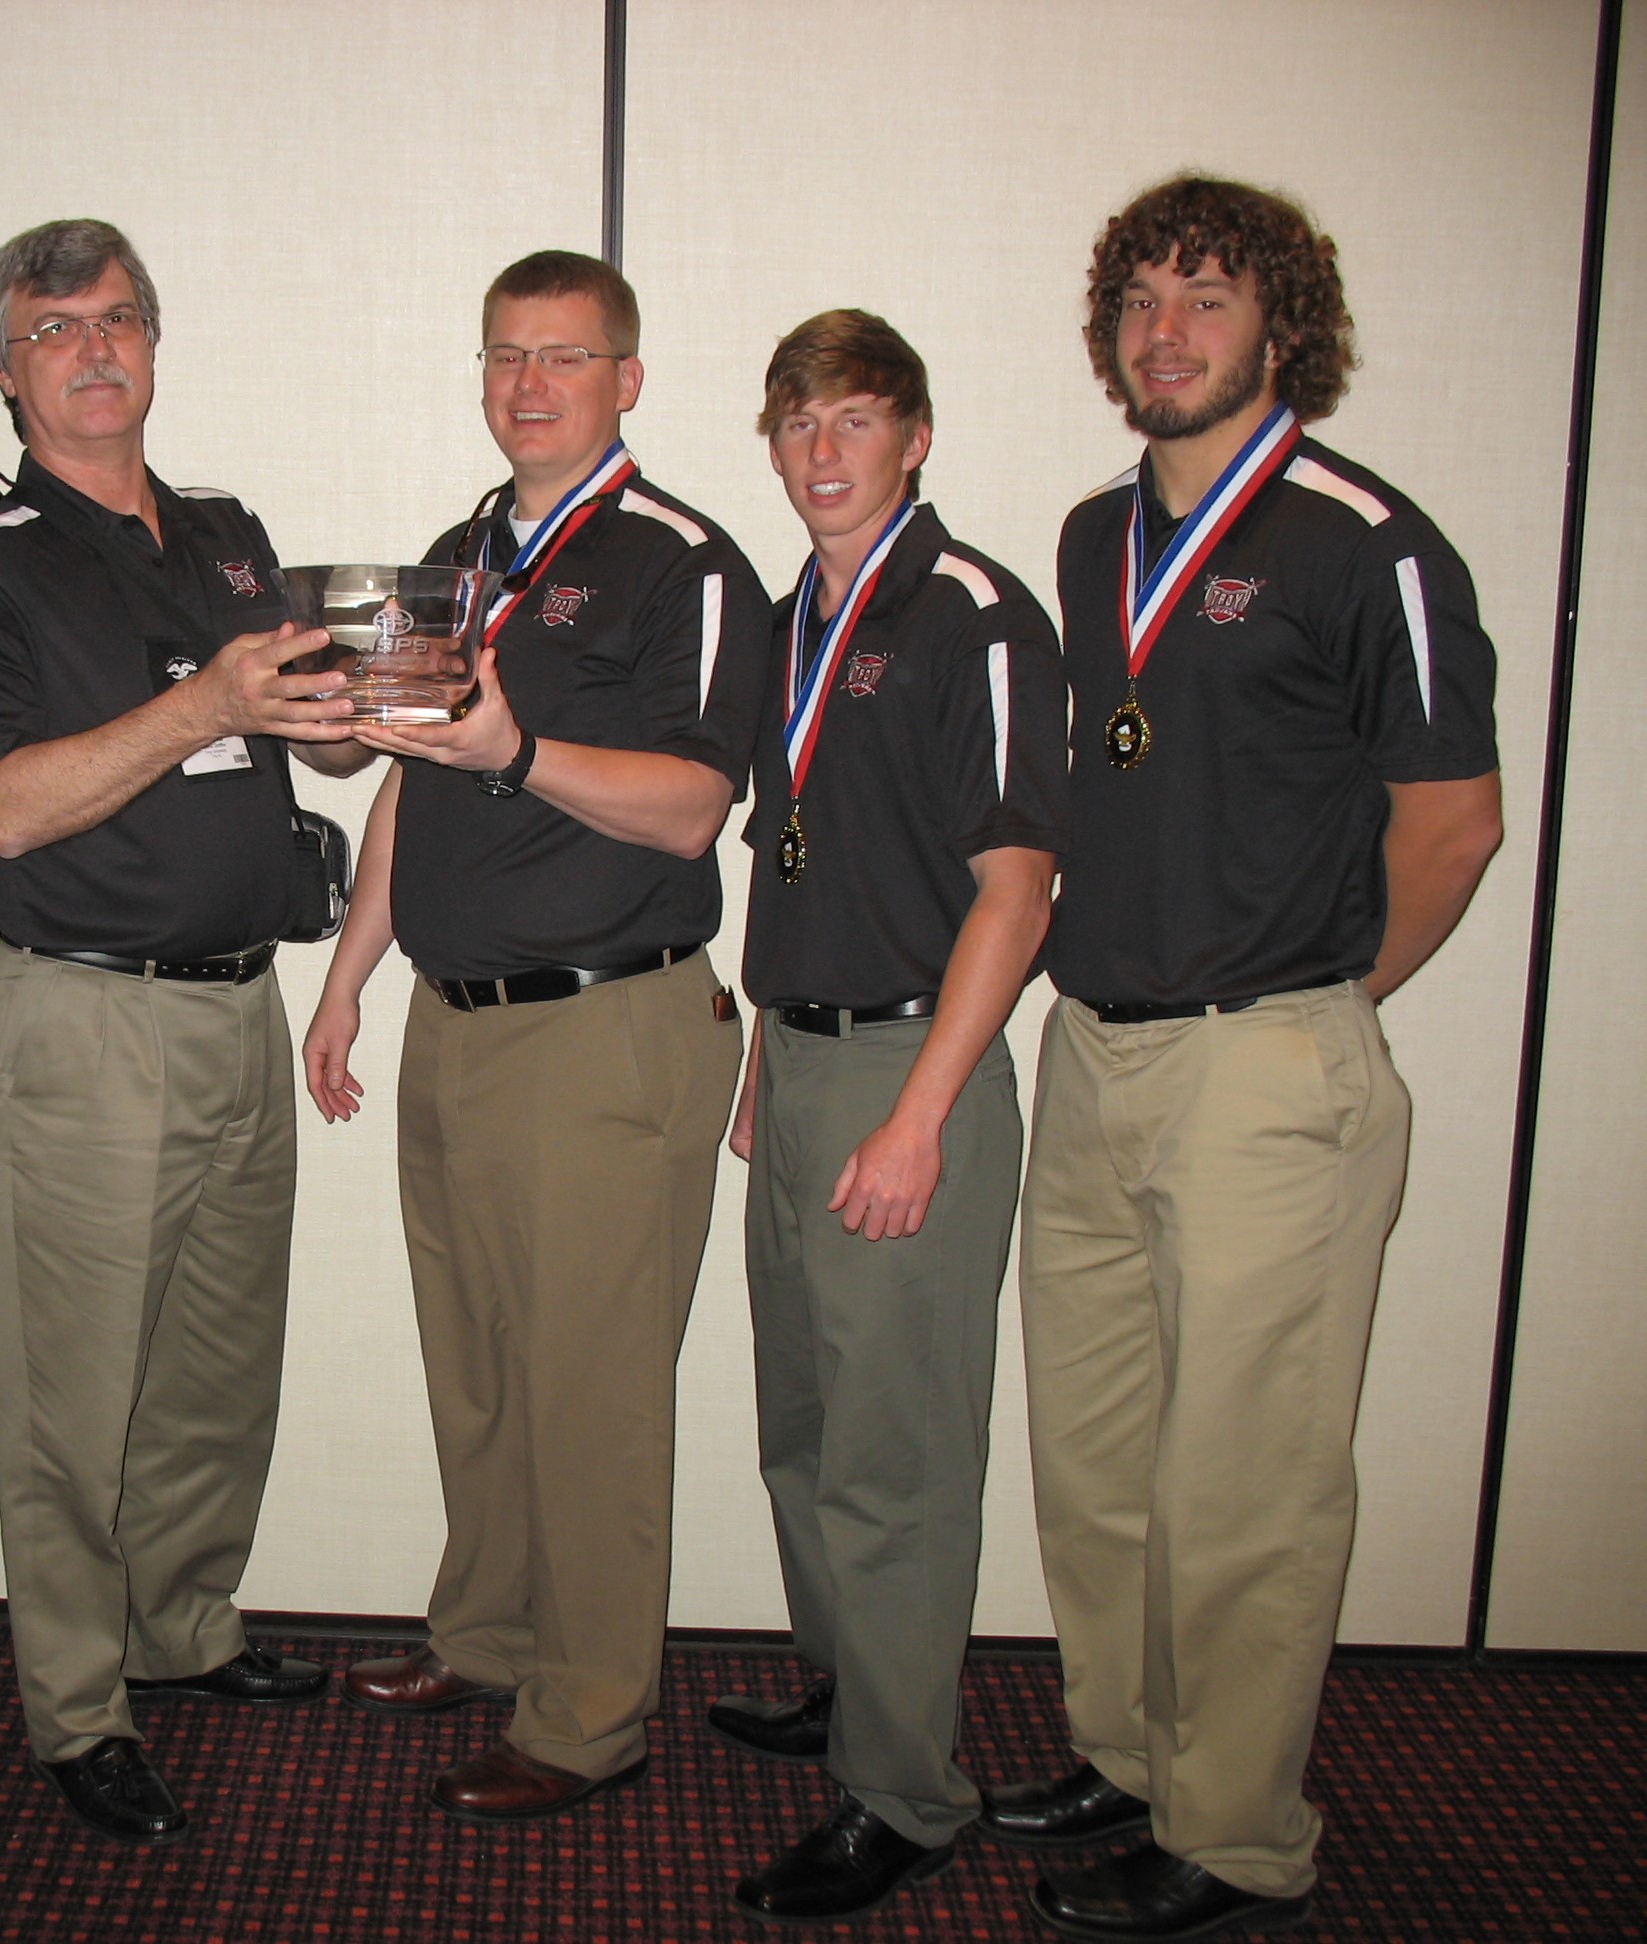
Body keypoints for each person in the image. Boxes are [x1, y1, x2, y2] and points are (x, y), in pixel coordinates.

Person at [984, 176, 1503, 1941]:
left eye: (1206, 296)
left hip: (1267, 1066)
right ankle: (1131, 1761)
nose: (1166, 329)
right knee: (1102, 1459)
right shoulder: (1086, 533)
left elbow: (1453, 823)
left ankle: (1240, 1835)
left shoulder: (1367, 540)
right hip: (1095, 1057)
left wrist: (1327, 1002)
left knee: (1248, 1485)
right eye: (1138, 298)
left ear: (1281, 324)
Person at [0, 218, 361, 1848]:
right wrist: (211, 708)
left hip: (244, 1002)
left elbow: (292, 723)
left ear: (155, 345)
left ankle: (184, 1625)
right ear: (6, 365)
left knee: (216, 1372)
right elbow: (5, 811)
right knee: (73, 1393)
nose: (95, 349)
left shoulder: (229, 535)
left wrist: (366, 705)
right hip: (88, 1021)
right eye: (55, 329)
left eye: (120, 320)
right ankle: (74, 1704)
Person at [306, 249, 771, 1822]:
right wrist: (354, 972)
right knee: (485, 1373)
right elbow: (411, 772)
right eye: (505, 355)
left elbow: (697, 803)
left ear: (625, 379)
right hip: (456, 1024)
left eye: (563, 358)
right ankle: (491, 1635)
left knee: (590, 1390)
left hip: (604, 1031)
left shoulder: (683, 566)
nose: (527, 386)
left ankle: (588, 1717)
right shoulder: (455, 557)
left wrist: (516, 755)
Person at [705, 311, 1067, 1926]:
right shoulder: (798, 621)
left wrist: (917, 1116)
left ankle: (909, 1793)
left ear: (915, 435)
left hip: (914, 1072)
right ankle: (856, 1692)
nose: (825, 451)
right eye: (798, 424)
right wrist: (767, 1066)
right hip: (802, 1063)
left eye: (856, 419)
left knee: (896, 1457)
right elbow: (805, 870)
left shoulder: (975, 617)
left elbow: (1017, 888)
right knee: (803, 1428)